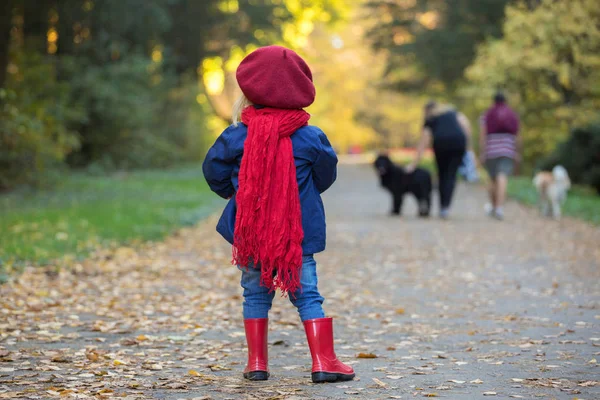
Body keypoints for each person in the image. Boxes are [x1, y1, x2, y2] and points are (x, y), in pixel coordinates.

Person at [202, 46, 355, 384]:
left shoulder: (236, 135)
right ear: (299, 88)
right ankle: (323, 363)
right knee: (309, 294)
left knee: (254, 293)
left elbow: (212, 170)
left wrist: (239, 192)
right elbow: (326, 174)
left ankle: (256, 364)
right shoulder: (311, 137)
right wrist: (302, 193)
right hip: (296, 235)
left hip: (252, 232)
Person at [406, 101, 470, 219]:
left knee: (442, 174)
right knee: (451, 175)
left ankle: (442, 207)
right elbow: (466, 125)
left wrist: (414, 164)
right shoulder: (452, 112)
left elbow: (424, 141)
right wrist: (467, 146)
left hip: (441, 145)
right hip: (458, 143)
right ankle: (445, 207)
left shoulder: (431, 118)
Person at [479, 92, 520, 220]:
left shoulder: (487, 114)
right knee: (502, 177)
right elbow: (518, 135)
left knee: (492, 179)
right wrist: (517, 151)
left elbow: (483, 135)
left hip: (491, 149)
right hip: (507, 149)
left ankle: (493, 205)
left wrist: (482, 152)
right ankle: (499, 208)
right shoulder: (512, 115)